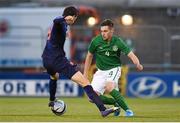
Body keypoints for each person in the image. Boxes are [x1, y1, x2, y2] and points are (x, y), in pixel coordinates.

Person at [41, 6, 119, 117]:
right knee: (85, 83)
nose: (75, 20)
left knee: (54, 77)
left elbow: (55, 44)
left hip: (46, 59)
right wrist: (64, 18)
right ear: (72, 16)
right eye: (75, 17)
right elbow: (56, 20)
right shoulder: (61, 23)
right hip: (57, 60)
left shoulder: (60, 26)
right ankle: (103, 110)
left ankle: (52, 100)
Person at [83, 19, 143, 117]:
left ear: (112, 31)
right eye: (101, 31)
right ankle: (116, 103)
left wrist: (138, 64)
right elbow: (89, 56)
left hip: (113, 69)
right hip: (100, 71)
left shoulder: (117, 41)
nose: (103, 33)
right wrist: (85, 73)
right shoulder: (96, 41)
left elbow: (130, 54)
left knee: (109, 87)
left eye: (105, 31)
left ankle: (128, 110)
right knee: (91, 97)